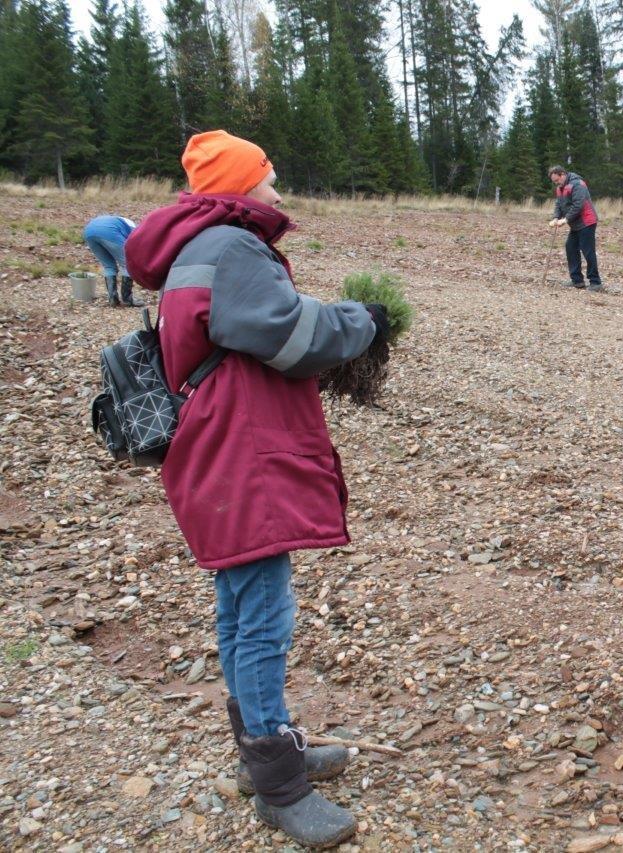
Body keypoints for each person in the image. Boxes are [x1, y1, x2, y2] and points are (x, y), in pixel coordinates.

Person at [124, 130, 390, 848]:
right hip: (241, 452)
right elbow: (284, 330)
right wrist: (362, 321)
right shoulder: (231, 246)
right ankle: (278, 782)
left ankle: (264, 751)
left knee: (241, 605)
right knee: (265, 610)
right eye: (269, 178)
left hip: (213, 451)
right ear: (240, 187)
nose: (278, 192)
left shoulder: (193, 249)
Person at [548, 165, 603, 291]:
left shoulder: (578, 184)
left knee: (588, 251)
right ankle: (577, 281)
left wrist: (565, 220)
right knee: (570, 247)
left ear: (562, 174)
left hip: (587, 221)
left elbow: (578, 205)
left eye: (557, 180)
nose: (556, 183)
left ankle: (596, 282)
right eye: (554, 182)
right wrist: (556, 217)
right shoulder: (560, 188)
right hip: (576, 224)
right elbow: (559, 204)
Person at [82, 214, 139, 307]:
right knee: (126, 264)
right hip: (109, 232)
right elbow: (136, 243)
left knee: (108, 266)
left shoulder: (120, 221)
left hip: (89, 232)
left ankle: (113, 298)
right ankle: (127, 300)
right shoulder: (135, 228)